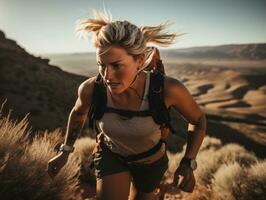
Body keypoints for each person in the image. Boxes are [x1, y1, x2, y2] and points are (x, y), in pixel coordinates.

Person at [47, 10, 206, 200]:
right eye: (101, 65)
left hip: (151, 163)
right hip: (111, 156)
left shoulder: (168, 89)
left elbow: (198, 119)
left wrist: (188, 163)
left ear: (139, 61)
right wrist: (65, 151)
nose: (107, 76)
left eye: (116, 66)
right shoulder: (90, 89)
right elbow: (78, 113)